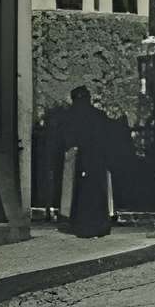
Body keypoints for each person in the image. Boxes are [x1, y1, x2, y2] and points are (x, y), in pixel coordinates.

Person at [57, 85, 116, 239]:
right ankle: (99, 225)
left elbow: (67, 140)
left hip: (81, 159)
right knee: (97, 192)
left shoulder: (70, 116)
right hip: (97, 160)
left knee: (81, 193)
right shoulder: (99, 115)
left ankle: (82, 225)